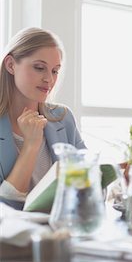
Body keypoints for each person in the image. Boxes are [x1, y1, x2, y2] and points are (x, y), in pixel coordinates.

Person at [0, 27, 86, 207]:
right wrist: (31, 145)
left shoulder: (63, 118)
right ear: (10, 65)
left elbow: (90, 187)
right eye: (39, 68)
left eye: (55, 71)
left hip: (61, 230)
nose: (49, 79)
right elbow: (4, 207)